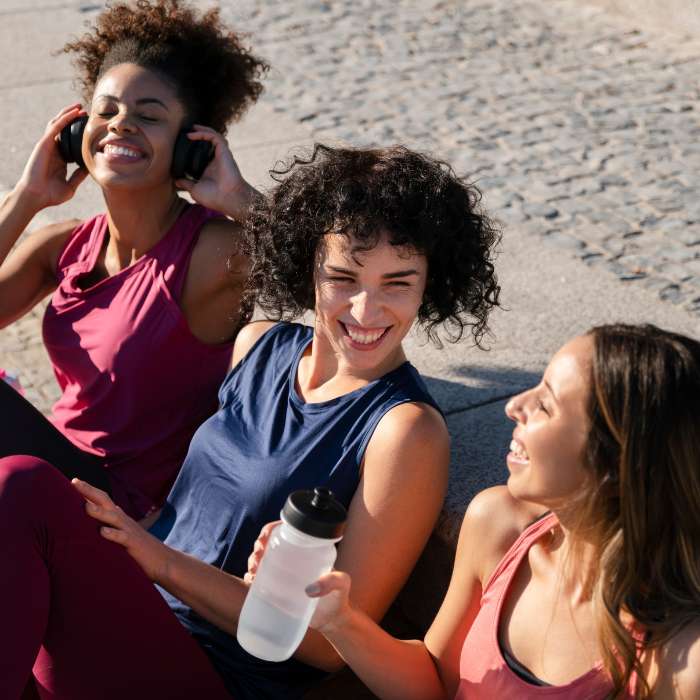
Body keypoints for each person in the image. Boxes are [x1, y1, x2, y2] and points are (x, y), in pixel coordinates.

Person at [0, 143, 501, 699]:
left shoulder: (405, 430)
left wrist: (160, 561)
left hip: (213, 668)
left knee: (21, 487)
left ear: (432, 286)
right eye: (343, 277)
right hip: (136, 595)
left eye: (397, 284)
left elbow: (328, 648)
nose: (365, 310)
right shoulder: (259, 345)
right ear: (306, 262)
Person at [269, 323, 700, 699]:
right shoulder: (499, 524)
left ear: (614, 465)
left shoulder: (680, 656)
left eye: (545, 405)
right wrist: (339, 619)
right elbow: (436, 681)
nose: (515, 405)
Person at [0, 0, 267, 519]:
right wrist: (26, 196)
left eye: (149, 116)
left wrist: (242, 200)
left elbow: (342, 267)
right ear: (77, 134)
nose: (122, 125)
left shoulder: (211, 252)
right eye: (106, 112)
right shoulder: (63, 247)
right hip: (50, 480)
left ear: (191, 146)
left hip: (128, 512)